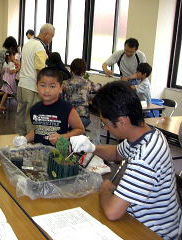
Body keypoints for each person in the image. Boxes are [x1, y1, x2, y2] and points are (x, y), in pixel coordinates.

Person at [70, 81, 182, 240]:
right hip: (144, 221)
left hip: (154, 232)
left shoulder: (144, 157)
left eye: (106, 124)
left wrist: (105, 189)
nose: (105, 128)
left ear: (122, 121)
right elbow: (116, 153)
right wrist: (92, 148)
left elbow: (112, 212)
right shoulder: (147, 134)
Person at [14, 67, 84, 146]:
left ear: (60, 88)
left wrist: (63, 137)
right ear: (36, 86)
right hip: (39, 153)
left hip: (59, 155)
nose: (46, 90)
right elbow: (38, 131)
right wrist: (25, 138)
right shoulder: (34, 109)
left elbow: (80, 129)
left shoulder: (67, 108)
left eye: (52, 86)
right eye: (43, 85)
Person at [16, 23, 55, 136]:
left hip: (22, 84)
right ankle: (29, 143)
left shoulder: (28, 43)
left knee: (21, 115)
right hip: (32, 87)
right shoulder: (39, 46)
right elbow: (40, 69)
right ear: (47, 34)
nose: (51, 40)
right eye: (51, 37)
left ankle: (19, 140)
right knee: (31, 117)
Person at [62, 58, 101, 128]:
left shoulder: (64, 83)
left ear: (71, 69)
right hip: (83, 118)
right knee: (80, 131)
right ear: (84, 70)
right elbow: (96, 88)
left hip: (67, 117)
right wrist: (100, 84)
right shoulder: (88, 82)